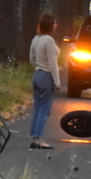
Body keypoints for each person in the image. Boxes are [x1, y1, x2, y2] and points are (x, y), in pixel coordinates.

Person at [29, 13, 61, 149]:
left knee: (37, 107)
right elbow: (52, 63)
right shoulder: (49, 40)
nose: (56, 25)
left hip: (37, 74)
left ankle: (34, 137)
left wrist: (39, 65)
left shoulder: (36, 39)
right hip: (46, 76)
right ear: (50, 25)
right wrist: (57, 81)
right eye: (54, 23)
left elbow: (32, 58)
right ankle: (39, 138)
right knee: (44, 109)